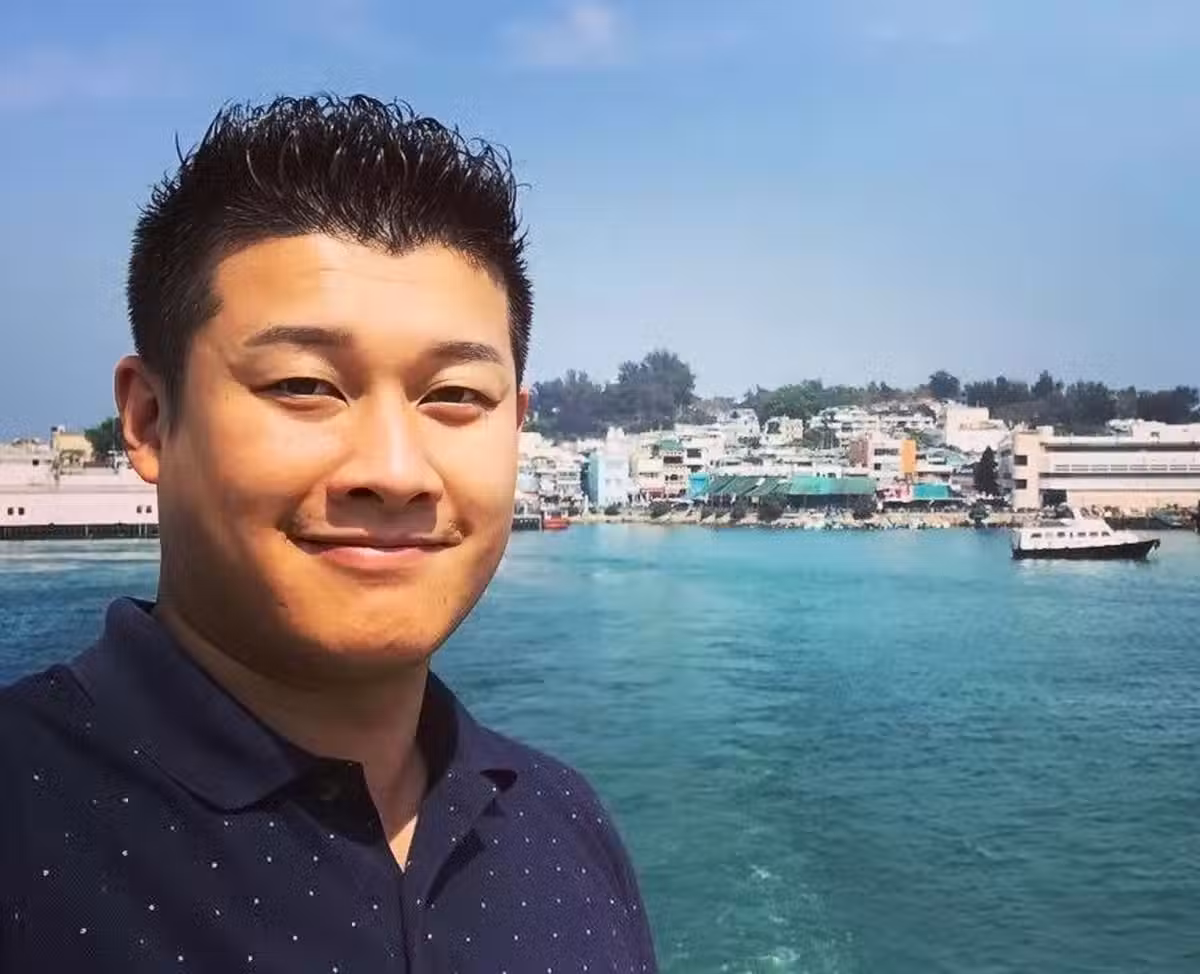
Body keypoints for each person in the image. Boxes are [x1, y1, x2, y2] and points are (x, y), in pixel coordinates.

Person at [0, 94, 657, 973]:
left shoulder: (564, 824)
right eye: (305, 386)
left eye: (456, 395)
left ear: (516, 425)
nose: (394, 470)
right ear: (151, 420)